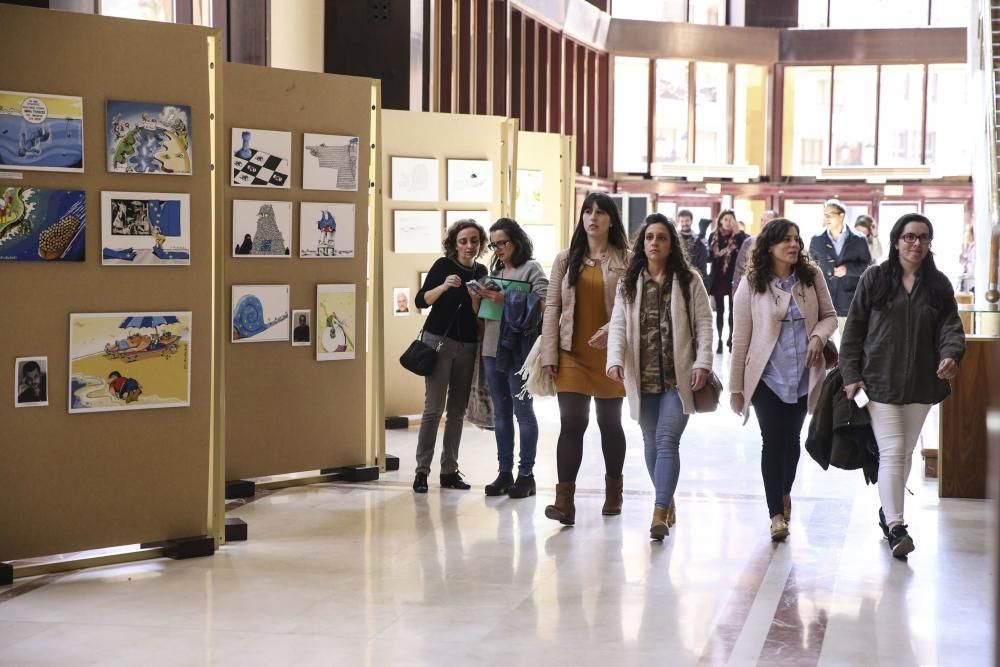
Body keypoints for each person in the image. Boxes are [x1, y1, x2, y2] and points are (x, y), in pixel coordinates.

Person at [840, 213, 965, 558]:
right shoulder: (875, 279)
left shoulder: (938, 285)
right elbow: (854, 330)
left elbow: (950, 327)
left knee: (903, 453)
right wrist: (851, 375)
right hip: (878, 383)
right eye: (910, 237)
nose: (916, 244)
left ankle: (887, 511)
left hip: (922, 385)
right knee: (894, 451)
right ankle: (896, 526)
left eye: (923, 238)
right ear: (896, 241)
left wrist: (952, 353)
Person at [606, 214, 714, 540]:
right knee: (650, 443)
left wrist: (703, 363)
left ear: (671, 244)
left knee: (667, 441)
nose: (655, 243)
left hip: (677, 379)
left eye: (662, 237)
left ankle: (658, 511)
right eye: (650, 237)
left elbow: (705, 325)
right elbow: (619, 325)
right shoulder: (629, 282)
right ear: (642, 243)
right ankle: (667, 501)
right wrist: (614, 360)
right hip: (643, 377)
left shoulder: (689, 280)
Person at [729, 219, 838, 542]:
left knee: (792, 441)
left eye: (796, 239)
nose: (793, 245)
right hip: (766, 376)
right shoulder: (752, 284)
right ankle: (775, 514)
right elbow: (741, 337)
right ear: (770, 246)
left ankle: (785, 491)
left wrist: (818, 337)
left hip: (804, 376)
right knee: (772, 441)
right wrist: (737, 387)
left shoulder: (811, 276)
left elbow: (830, 316)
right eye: (786, 240)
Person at [541, 192, 630, 525]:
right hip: (571, 354)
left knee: (610, 424)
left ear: (611, 219)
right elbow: (552, 307)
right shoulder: (566, 259)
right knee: (572, 424)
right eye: (587, 211)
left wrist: (612, 329)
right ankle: (564, 502)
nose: (592, 217)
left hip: (610, 357)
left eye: (600, 212)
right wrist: (550, 352)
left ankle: (614, 492)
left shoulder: (626, 259)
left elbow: (632, 308)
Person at [411, 219, 489, 493]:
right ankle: (421, 472)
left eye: (475, 241)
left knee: (457, 412)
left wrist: (476, 299)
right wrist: (444, 286)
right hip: (439, 343)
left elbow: (481, 316)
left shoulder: (482, 271)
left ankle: (449, 471)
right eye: (464, 241)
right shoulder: (443, 266)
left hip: (467, 345)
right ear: (454, 244)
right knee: (433, 410)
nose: (469, 246)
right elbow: (421, 301)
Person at [480, 218, 549, 499]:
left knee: (523, 411)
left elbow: (545, 304)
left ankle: (526, 474)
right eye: (493, 244)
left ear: (516, 241)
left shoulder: (531, 268)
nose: (497, 249)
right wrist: (480, 296)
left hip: (519, 350)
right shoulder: (494, 270)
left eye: (502, 243)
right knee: (500, 412)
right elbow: (486, 314)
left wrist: (505, 299)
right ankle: (504, 472)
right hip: (491, 347)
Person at [808, 199, 871, 331]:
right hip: (824, 301)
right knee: (824, 345)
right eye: (824, 215)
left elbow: (867, 267)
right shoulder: (817, 239)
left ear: (841, 215)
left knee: (847, 345)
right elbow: (810, 268)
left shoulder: (858, 239)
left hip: (848, 302)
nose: (825, 219)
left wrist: (848, 270)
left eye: (829, 215)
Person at [706, 209, 748, 353]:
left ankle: (731, 339)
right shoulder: (713, 236)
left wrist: (738, 233)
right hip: (718, 277)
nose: (728, 222)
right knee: (719, 312)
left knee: (732, 311)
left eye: (731, 219)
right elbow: (709, 257)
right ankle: (719, 340)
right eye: (725, 219)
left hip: (733, 278)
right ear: (720, 221)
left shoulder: (740, 236)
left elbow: (746, 249)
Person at [732, 209, 778, 293]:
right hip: (754, 287)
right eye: (762, 220)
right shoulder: (750, 241)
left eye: (767, 220)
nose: (763, 223)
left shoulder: (782, 242)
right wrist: (736, 292)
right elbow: (739, 269)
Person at [676, 209, 708, 281]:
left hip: (695, 275)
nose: (685, 223)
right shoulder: (675, 239)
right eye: (682, 221)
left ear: (691, 221)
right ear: (679, 222)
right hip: (678, 274)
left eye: (687, 220)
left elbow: (707, 257)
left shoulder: (699, 239)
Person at [958, 223, 976, 292]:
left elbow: (973, 266)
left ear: (971, 233)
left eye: (967, 232)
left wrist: (965, 262)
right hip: (968, 281)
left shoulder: (974, 249)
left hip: (972, 281)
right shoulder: (969, 247)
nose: (965, 234)